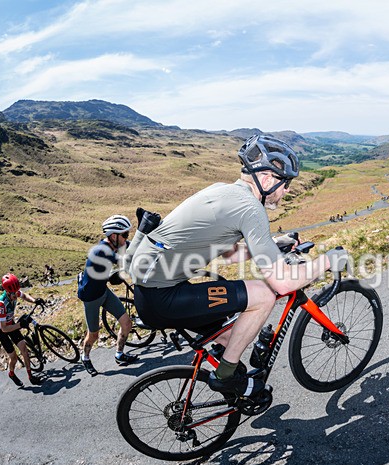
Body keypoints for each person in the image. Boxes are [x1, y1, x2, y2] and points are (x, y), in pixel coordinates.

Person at [129, 134, 348, 396]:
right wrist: (327, 261)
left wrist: (273, 243)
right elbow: (283, 283)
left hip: (151, 292)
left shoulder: (223, 191)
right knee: (264, 295)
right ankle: (225, 376)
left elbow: (230, 255)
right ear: (268, 179)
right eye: (286, 183)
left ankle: (240, 386)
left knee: (230, 331)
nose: (287, 190)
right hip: (164, 297)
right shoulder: (250, 208)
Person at [77, 214, 136, 376]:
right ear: (113, 236)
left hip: (103, 291)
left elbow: (131, 246)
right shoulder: (101, 250)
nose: (126, 238)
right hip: (91, 298)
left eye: (127, 234)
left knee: (127, 323)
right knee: (94, 335)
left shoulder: (115, 244)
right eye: (124, 234)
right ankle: (85, 357)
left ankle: (119, 354)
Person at [0, 273, 45, 387]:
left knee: (24, 350)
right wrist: (20, 325)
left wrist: (35, 301)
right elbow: (4, 328)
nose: (16, 295)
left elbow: (24, 295)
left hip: (11, 323)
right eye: (13, 293)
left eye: (16, 292)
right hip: (2, 329)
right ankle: (11, 373)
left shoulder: (14, 292)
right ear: (7, 292)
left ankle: (30, 376)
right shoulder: (1, 304)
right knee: (14, 357)